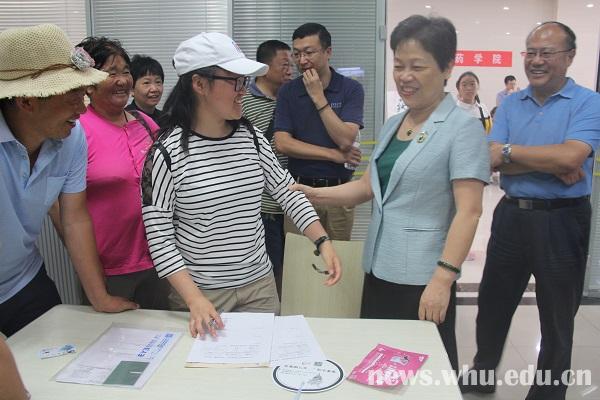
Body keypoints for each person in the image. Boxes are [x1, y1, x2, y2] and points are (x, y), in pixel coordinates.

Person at [291, 15, 489, 372]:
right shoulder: (395, 123)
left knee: (424, 374)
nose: (404, 76)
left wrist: (443, 278)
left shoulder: (462, 128)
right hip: (379, 268)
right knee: (379, 367)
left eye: (417, 66)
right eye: (399, 66)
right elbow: (367, 187)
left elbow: (469, 211)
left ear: (447, 67)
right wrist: (314, 195)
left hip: (423, 278)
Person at [141, 32, 342, 338]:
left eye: (244, 81)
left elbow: (288, 193)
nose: (243, 91)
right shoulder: (165, 153)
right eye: (235, 82)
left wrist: (322, 240)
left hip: (259, 287)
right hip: (202, 293)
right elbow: (159, 237)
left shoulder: (252, 139)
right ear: (199, 84)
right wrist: (194, 299)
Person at [462, 22, 600, 399]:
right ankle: (482, 375)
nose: (536, 61)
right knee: (492, 305)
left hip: (563, 220)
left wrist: (511, 153)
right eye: (531, 52)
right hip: (511, 216)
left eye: (547, 53)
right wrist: (550, 161)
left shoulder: (589, 102)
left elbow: (571, 158)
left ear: (569, 57)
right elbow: (489, 159)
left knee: (557, 317)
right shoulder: (510, 103)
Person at [0, 24, 137, 337]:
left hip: (23, 279)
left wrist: (99, 297)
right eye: (71, 95)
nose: (82, 106)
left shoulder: (71, 137)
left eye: (83, 91)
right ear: (27, 100)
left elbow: (74, 218)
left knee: (60, 353)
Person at [73, 37, 170, 310]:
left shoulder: (145, 123)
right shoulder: (77, 130)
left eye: (126, 72)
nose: (122, 80)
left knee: (160, 331)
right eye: (111, 72)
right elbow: (62, 210)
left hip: (158, 259)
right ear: (89, 83)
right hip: (108, 268)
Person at [274, 23, 364, 241]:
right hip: (299, 192)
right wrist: (332, 154)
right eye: (297, 54)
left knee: (338, 258)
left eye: (309, 52)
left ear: (328, 52)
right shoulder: (288, 91)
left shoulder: (350, 89)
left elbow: (345, 139)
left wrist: (318, 97)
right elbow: (283, 143)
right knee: (299, 259)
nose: (302, 60)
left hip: (339, 193)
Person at [242, 40, 293, 297]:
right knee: (268, 267)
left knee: (290, 267)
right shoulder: (243, 102)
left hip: (289, 198)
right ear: (264, 67)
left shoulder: (290, 98)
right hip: (261, 203)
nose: (290, 70)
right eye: (284, 65)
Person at [126, 54, 164, 125]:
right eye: (146, 83)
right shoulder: (125, 118)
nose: (154, 89)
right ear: (131, 89)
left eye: (158, 82)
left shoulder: (165, 119)